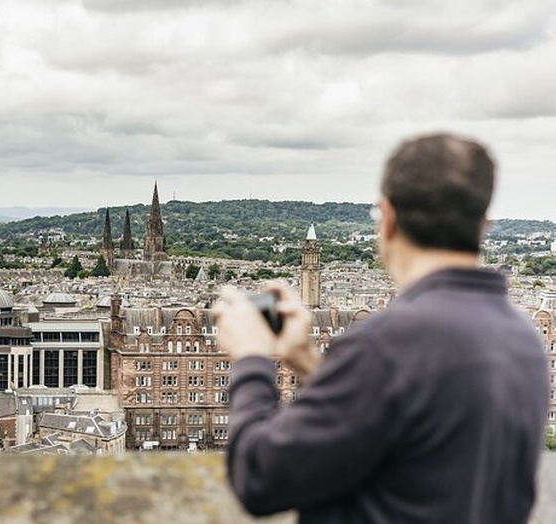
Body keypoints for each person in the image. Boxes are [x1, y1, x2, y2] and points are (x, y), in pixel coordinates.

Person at [214, 133, 549, 524]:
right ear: (484, 225)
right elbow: (405, 415)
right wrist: (303, 358)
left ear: (387, 218)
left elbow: (259, 479)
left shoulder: (385, 345)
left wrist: (253, 357)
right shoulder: (524, 339)